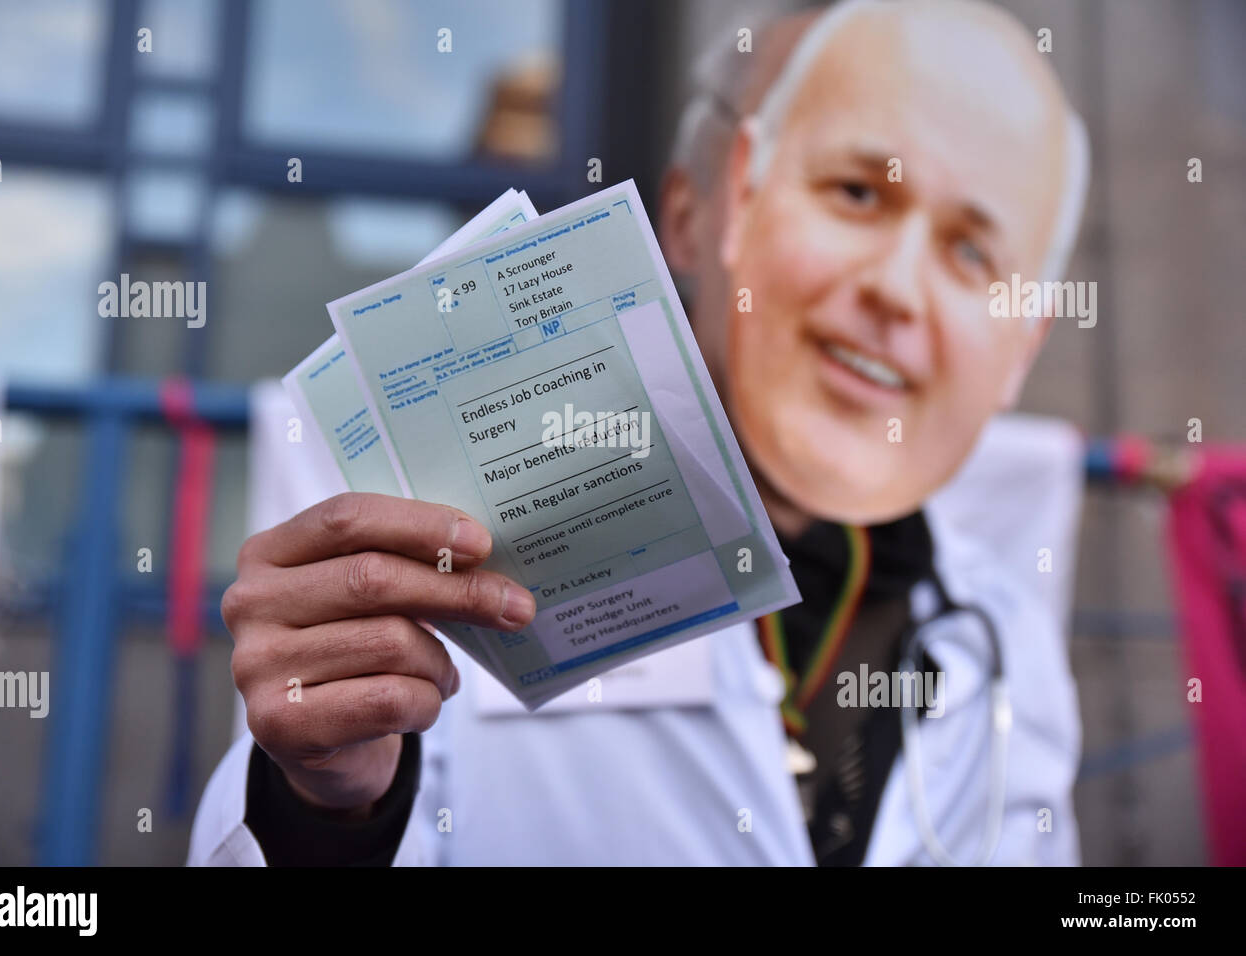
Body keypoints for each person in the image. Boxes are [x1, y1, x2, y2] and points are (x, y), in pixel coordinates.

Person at [190, 0, 1086, 866]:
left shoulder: (1007, 645)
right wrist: (324, 811)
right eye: (855, 192)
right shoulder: (450, 559)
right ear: (699, 218)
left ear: (1021, 343)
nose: (897, 289)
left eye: (973, 252)